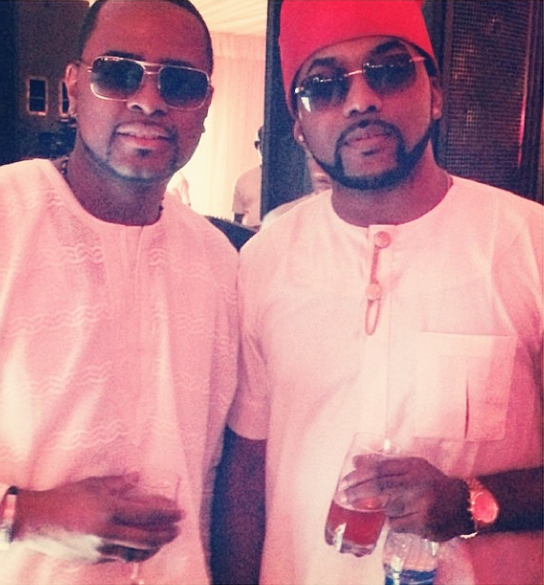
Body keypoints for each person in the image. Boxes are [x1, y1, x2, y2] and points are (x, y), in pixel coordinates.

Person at [213, 1, 543, 584]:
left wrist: (473, 501)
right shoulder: (265, 259)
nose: (360, 100)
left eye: (388, 72)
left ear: (435, 93)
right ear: (298, 126)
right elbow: (246, 476)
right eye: (323, 86)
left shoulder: (529, 243)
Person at [0, 1, 238, 584]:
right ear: (73, 87)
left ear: (206, 105)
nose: (149, 100)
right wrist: (22, 515)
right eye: (118, 73)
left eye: (180, 82)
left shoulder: (219, 263)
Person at [232, 127, 263, 229]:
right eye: (259, 143)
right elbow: (237, 223)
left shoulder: (293, 180)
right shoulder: (243, 180)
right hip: (251, 235)